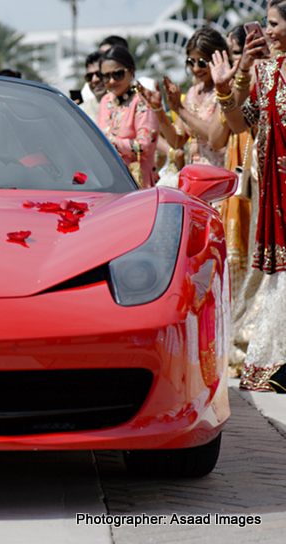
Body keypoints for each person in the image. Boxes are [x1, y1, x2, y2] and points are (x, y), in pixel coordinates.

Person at [211, 0, 286, 391]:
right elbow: (241, 122)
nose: (267, 32)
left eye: (273, 24)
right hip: (276, 193)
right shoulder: (269, 72)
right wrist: (227, 88)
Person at [141, 28, 228, 168]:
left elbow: (214, 137)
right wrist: (158, 109)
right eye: (190, 62)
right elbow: (177, 141)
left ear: (216, 59)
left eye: (201, 62)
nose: (196, 68)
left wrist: (180, 110)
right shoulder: (193, 93)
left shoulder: (226, 92)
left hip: (220, 171)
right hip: (194, 172)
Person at [95, 46, 159, 188]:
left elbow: (145, 145)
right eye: (106, 76)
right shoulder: (106, 101)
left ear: (131, 72)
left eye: (117, 74)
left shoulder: (142, 102)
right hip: (108, 181)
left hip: (137, 181)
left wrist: (109, 142)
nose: (111, 81)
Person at [80, 51, 106, 121]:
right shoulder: (81, 112)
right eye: (90, 76)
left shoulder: (124, 106)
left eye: (99, 74)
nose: (95, 80)